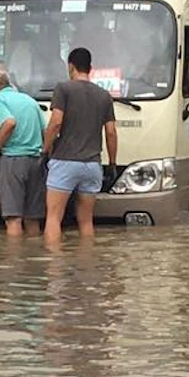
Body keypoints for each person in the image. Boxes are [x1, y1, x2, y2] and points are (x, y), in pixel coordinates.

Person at [42, 47, 118, 245]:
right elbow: (110, 132)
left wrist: (45, 149)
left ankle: (54, 267)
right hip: (93, 165)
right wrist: (112, 163)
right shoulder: (104, 95)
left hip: (65, 161)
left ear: (71, 66)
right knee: (86, 221)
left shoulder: (63, 89)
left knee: (53, 218)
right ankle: (87, 263)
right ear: (90, 68)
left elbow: (56, 122)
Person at [0, 69, 47, 236]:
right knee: (33, 218)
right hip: (36, 161)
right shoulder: (30, 100)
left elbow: (9, 123)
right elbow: (46, 131)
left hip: (13, 160)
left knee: (13, 218)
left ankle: (15, 260)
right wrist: (45, 155)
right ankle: (35, 257)